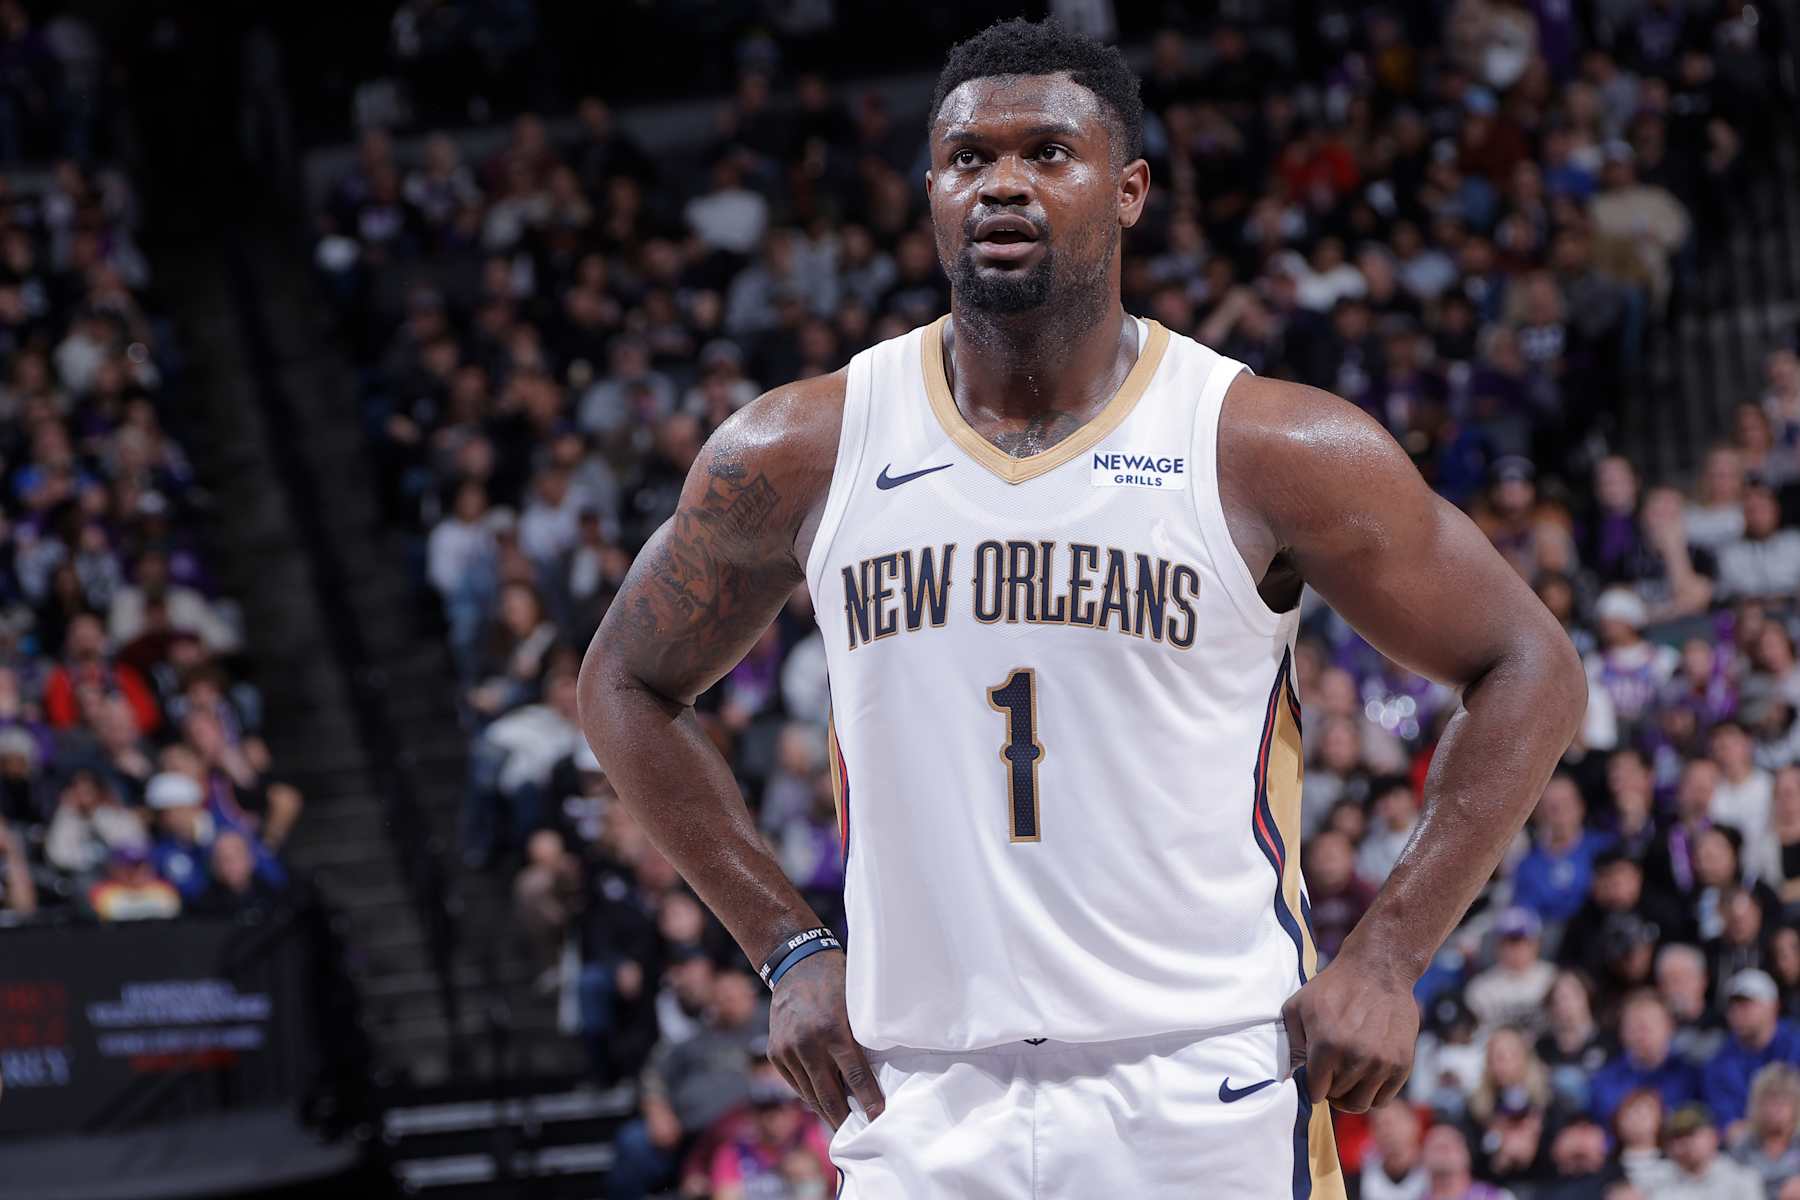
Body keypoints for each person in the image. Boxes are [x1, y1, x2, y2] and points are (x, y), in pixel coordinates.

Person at [576, 19, 1586, 1197]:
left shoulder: (1264, 445)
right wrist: (787, 946)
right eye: (967, 159)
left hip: (1205, 1076)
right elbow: (623, 686)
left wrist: (1391, 955)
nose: (1002, 182)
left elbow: (1531, 665)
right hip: (920, 1087)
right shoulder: (804, 445)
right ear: (933, 194)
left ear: (1129, 190)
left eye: (1049, 152)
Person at [1703, 970, 1800, 1133]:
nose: (1738, 1013)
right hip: (1745, 1149)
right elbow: (1728, 1125)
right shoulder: (1720, 1061)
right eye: (1732, 1007)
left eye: (1747, 1005)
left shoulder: (1795, 1044)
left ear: (1773, 1006)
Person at [1591, 991, 1703, 1124]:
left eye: (1649, 1025)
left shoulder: (1691, 1076)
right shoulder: (1605, 1081)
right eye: (1633, 1026)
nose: (1641, 1033)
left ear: (1669, 1027)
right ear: (1622, 1032)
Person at [1635, 1103, 1764, 1199]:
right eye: (1676, 1137)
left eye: (1691, 1134)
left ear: (1713, 1136)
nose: (1684, 1143)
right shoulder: (1652, 1181)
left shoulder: (1741, 1179)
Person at [1466, 907, 1557, 1033]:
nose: (1515, 948)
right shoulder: (1480, 987)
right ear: (1497, 945)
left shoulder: (1553, 978)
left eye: (1521, 941)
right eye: (1508, 942)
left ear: (1536, 943)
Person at [1730, 1063, 1800, 1196]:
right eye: (1769, 1102)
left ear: (1795, 1106)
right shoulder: (1742, 1148)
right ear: (1756, 1106)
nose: (1775, 1110)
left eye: (1782, 1103)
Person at [1362, 1101, 1429, 1200]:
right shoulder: (1360, 1179)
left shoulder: (1436, 1173)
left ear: (1414, 1123)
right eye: (1379, 1125)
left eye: (1394, 1122)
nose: (1387, 1131)